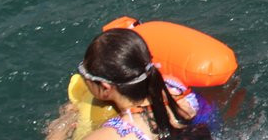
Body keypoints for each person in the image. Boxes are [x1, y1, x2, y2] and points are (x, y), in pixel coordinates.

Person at [45, 29, 213, 140]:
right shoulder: (175, 88)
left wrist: (59, 129)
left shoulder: (112, 135)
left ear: (105, 89)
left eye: (85, 76)